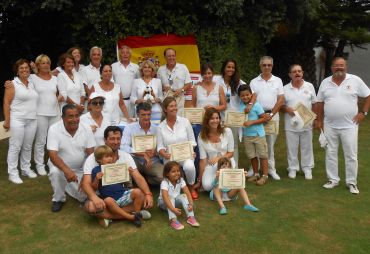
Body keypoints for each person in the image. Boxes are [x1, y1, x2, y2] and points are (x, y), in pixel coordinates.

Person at [316, 57, 370, 194]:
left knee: (351, 155)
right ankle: (333, 179)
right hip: (330, 125)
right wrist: (319, 121)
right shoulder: (325, 82)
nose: (339, 68)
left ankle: (352, 183)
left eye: (342, 65)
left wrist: (363, 112)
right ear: (332, 67)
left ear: (346, 67)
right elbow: (320, 103)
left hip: (350, 125)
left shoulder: (355, 80)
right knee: (330, 153)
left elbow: (368, 95)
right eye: (336, 66)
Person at [81, 126, 153, 225]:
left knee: (144, 198)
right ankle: (132, 216)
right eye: (112, 139)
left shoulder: (126, 156)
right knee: (91, 207)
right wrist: (94, 197)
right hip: (102, 197)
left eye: (118, 139)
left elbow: (138, 177)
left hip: (121, 194)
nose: (115, 142)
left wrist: (149, 194)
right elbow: (86, 183)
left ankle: (110, 217)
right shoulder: (93, 158)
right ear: (105, 140)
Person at [47, 104, 96, 212]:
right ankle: (58, 199)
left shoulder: (86, 128)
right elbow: (53, 155)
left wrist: (85, 175)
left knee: (83, 197)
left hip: (80, 168)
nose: (74, 120)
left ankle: (67, 185)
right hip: (60, 167)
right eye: (70, 116)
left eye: (76, 116)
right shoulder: (54, 129)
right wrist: (67, 171)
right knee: (55, 172)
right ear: (63, 117)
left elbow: (90, 154)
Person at [3, 59, 39, 184]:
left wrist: (35, 67)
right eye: (21, 68)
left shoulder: (32, 82)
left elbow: (46, 74)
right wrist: (7, 120)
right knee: (15, 146)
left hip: (32, 119)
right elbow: (6, 103)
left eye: (26, 67)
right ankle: (12, 173)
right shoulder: (12, 84)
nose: (24, 70)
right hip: (17, 120)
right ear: (17, 71)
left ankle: (25, 169)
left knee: (28, 146)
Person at [249, 56, 284, 180]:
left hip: (272, 117)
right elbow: (251, 99)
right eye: (264, 65)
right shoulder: (254, 81)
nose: (267, 67)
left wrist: (271, 114)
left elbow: (281, 100)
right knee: (255, 142)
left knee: (270, 144)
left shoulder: (278, 80)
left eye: (269, 65)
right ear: (260, 66)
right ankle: (254, 169)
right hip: (257, 117)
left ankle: (271, 169)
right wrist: (262, 115)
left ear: (272, 66)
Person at [91, 145, 144, 227]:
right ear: (99, 159)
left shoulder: (116, 167)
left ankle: (137, 213)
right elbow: (94, 188)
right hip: (111, 200)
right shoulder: (96, 170)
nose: (110, 158)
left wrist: (128, 173)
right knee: (108, 200)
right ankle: (131, 217)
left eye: (111, 156)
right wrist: (97, 179)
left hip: (122, 195)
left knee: (138, 191)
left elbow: (125, 182)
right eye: (107, 157)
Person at [213, 59, 251, 168]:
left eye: (233, 67)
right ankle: (219, 169)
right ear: (224, 68)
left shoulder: (240, 82)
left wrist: (249, 104)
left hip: (234, 119)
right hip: (219, 117)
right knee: (219, 144)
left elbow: (251, 94)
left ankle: (234, 169)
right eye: (228, 67)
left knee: (233, 145)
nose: (230, 69)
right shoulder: (216, 80)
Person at [282, 64, 317, 180]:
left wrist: (315, 119)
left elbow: (315, 103)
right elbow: (281, 105)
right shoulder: (285, 88)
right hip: (291, 123)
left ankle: (307, 168)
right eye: (294, 72)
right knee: (291, 147)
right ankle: (292, 168)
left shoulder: (309, 86)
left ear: (302, 73)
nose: (297, 73)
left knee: (307, 146)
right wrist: (287, 109)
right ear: (290, 75)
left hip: (307, 123)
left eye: (299, 71)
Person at [157, 97, 197, 195]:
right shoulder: (160, 127)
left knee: (189, 166)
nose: (174, 108)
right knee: (171, 170)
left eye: (175, 106)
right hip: (170, 157)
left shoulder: (185, 121)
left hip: (185, 155)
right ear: (165, 109)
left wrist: (191, 150)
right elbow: (160, 147)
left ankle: (191, 187)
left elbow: (192, 141)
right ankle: (173, 189)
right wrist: (164, 153)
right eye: (171, 106)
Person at [121, 102, 164, 185]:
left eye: (148, 114)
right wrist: (142, 154)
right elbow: (123, 147)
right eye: (143, 115)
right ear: (137, 114)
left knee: (163, 177)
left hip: (152, 161)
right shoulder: (129, 128)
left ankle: (145, 179)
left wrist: (155, 152)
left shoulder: (157, 129)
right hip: (135, 161)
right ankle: (131, 185)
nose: (146, 117)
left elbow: (161, 146)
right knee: (125, 163)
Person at [195, 108, 235, 192]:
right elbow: (203, 160)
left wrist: (218, 158)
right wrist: (200, 181)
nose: (215, 121)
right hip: (211, 165)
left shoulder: (227, 131)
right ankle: (220, 184)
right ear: (207, 120)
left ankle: (224, 184)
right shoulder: (201, 136)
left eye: (217, 118)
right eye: (212, 118)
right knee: (206, 186)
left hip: (227, 162)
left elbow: (231, 153)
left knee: (226, 183)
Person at [239, 85, 269, 186]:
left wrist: (251, 122)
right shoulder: (240, 106)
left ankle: (265, 176)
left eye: (247, 95)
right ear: (240, 97)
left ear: (251, 95)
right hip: (247, 135)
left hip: (258, 134)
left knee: (263, 155)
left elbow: (264, 118)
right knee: (252, 156)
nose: (245, 97)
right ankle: (256, 174)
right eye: (242, 95)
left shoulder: (256, 105)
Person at [158, 161, 200, 230]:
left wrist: (191, 204)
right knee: (170, 197)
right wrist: (173, 209)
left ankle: (191, 217)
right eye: (173, 171)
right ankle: (173, 220)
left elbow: (187, 192)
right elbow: (165, 198)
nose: (176, 173)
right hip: (163, 203)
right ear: (167, 174)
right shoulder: (164, 182)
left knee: (183, 195)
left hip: (174, 202)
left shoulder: (181, 180)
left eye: (178, 171)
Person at [157, 48, 192, 116]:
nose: (171, 58)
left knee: (179, 119)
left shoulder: (183, 67)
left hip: (180, 98)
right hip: (166, 99)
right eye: (169, 56)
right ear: (165, 57)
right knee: (167, 119)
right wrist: (163, 87)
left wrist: (181, 90)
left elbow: (189, 83)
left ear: (175, 56)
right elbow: (158, 86)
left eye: (173, 55)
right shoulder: (160, 70)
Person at [112, 45, 140, 117]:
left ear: (130, 55)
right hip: (117, 101)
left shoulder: (136, 67)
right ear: (120, 54)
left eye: (127, 53)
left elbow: (138, 83)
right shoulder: (113, 66)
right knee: (118, 124)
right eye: (123, 52)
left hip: (131, 102)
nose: (125, 54)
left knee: (130, 122)